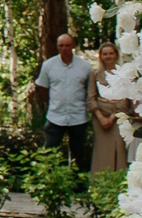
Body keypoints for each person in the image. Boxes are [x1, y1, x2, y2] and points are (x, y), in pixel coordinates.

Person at [32, 33, 97, 172]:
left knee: (78, 154)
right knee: (50, 153)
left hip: (78, 116)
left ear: (73, 46)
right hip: (55, 116)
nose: (64, 48)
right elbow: (43, 87)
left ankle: (76, 184)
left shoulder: (85, 66)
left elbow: (90, 90)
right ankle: (49, 182)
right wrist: (51, 104)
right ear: (57, 47)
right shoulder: (48, 65)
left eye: (68, 45)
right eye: (61, 45)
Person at [90, 40, 133, 173]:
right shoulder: (95, 74)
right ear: (100, 56)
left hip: (118, 117)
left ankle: (117, 180)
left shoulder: (122, 73)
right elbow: (91, 96)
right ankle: (99, 182)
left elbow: (125, 98)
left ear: (116, 55)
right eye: (105, 54)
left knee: (118, 147)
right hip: (99, 118)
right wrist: (101, 117)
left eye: (111, 53)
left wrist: (114, 116)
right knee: (101, 150)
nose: (108, 56)